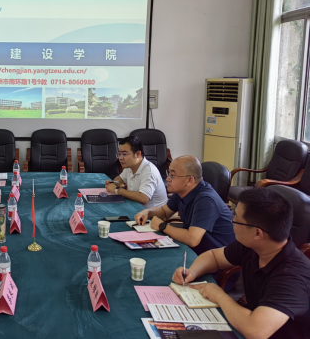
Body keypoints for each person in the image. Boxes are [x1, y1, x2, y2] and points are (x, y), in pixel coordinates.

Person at [172, 188, 310, 339]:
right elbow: (214, 257)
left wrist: (219, 295)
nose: (231, 222)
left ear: (257, 233)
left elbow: (256, 331)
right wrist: (192, 271)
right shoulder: (252, 246)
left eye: (236, 219)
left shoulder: (292, 277)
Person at [134, 155, 235, 255]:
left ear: (190, 180)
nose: (168, 179)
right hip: (199, 251)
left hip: (219, 257)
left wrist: (162, 226)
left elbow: (192, 239)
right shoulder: (182, 192)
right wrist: (148, 212)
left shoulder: (206, 200)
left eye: (172, 175)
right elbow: (164, 212)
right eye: (169, 173)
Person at [104, 136, 167, 209]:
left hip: (153, 213)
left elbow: (143, 198)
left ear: (138, 154)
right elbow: (120, 178)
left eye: (124, 154)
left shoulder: (149, 171)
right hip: (136, 208)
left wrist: (117, 190)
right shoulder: (130, 166)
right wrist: (114, 183)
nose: (120, 158)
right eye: (119, 154)